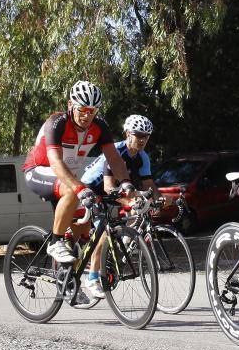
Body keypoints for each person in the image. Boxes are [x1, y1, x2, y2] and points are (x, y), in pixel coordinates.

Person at [23, 81, 135, 271]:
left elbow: (115, 159)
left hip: (67, 177)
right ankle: (55, 242)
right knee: (74, 191)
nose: (87, 115)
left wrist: (126, 184)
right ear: (70, 105)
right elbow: (56, 163)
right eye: (82, 109)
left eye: (92, 111)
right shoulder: (56, 123)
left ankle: (68, 280)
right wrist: (79, 188)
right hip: (39, 170)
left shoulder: (99, 127)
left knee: (84, 224)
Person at [79, 114, 163, 297]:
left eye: (146, 136)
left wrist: (159, 199)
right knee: (104, 229)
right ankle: (92, 277)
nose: (142, 139)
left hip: (115, 188)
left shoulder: (143, 157)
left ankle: (124, 239)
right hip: (93, 188)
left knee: (138, 208)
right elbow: (108, 188)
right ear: (127, 133)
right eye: (138, 134)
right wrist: (131, 201)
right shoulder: (115, 152)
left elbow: (148, 184)